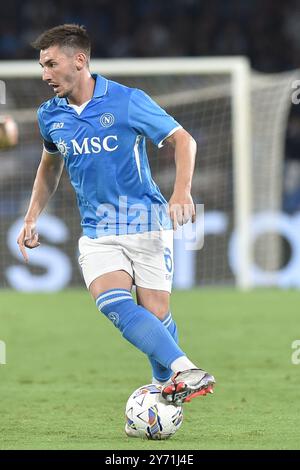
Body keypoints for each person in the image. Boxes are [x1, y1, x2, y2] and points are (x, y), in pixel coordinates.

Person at [17, 24, 215, 428]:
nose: (45, 74)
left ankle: (164, 390)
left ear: (80, 60)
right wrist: (32, 215)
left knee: (156, 317)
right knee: (113, 303)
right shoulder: (49, 115)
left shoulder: (127, 101)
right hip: (98, 231)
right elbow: (50, 167)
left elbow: (184, 141)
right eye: (42, 66)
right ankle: (186, 369)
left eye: (51, 64)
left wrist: (181, 192)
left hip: (147, 221)